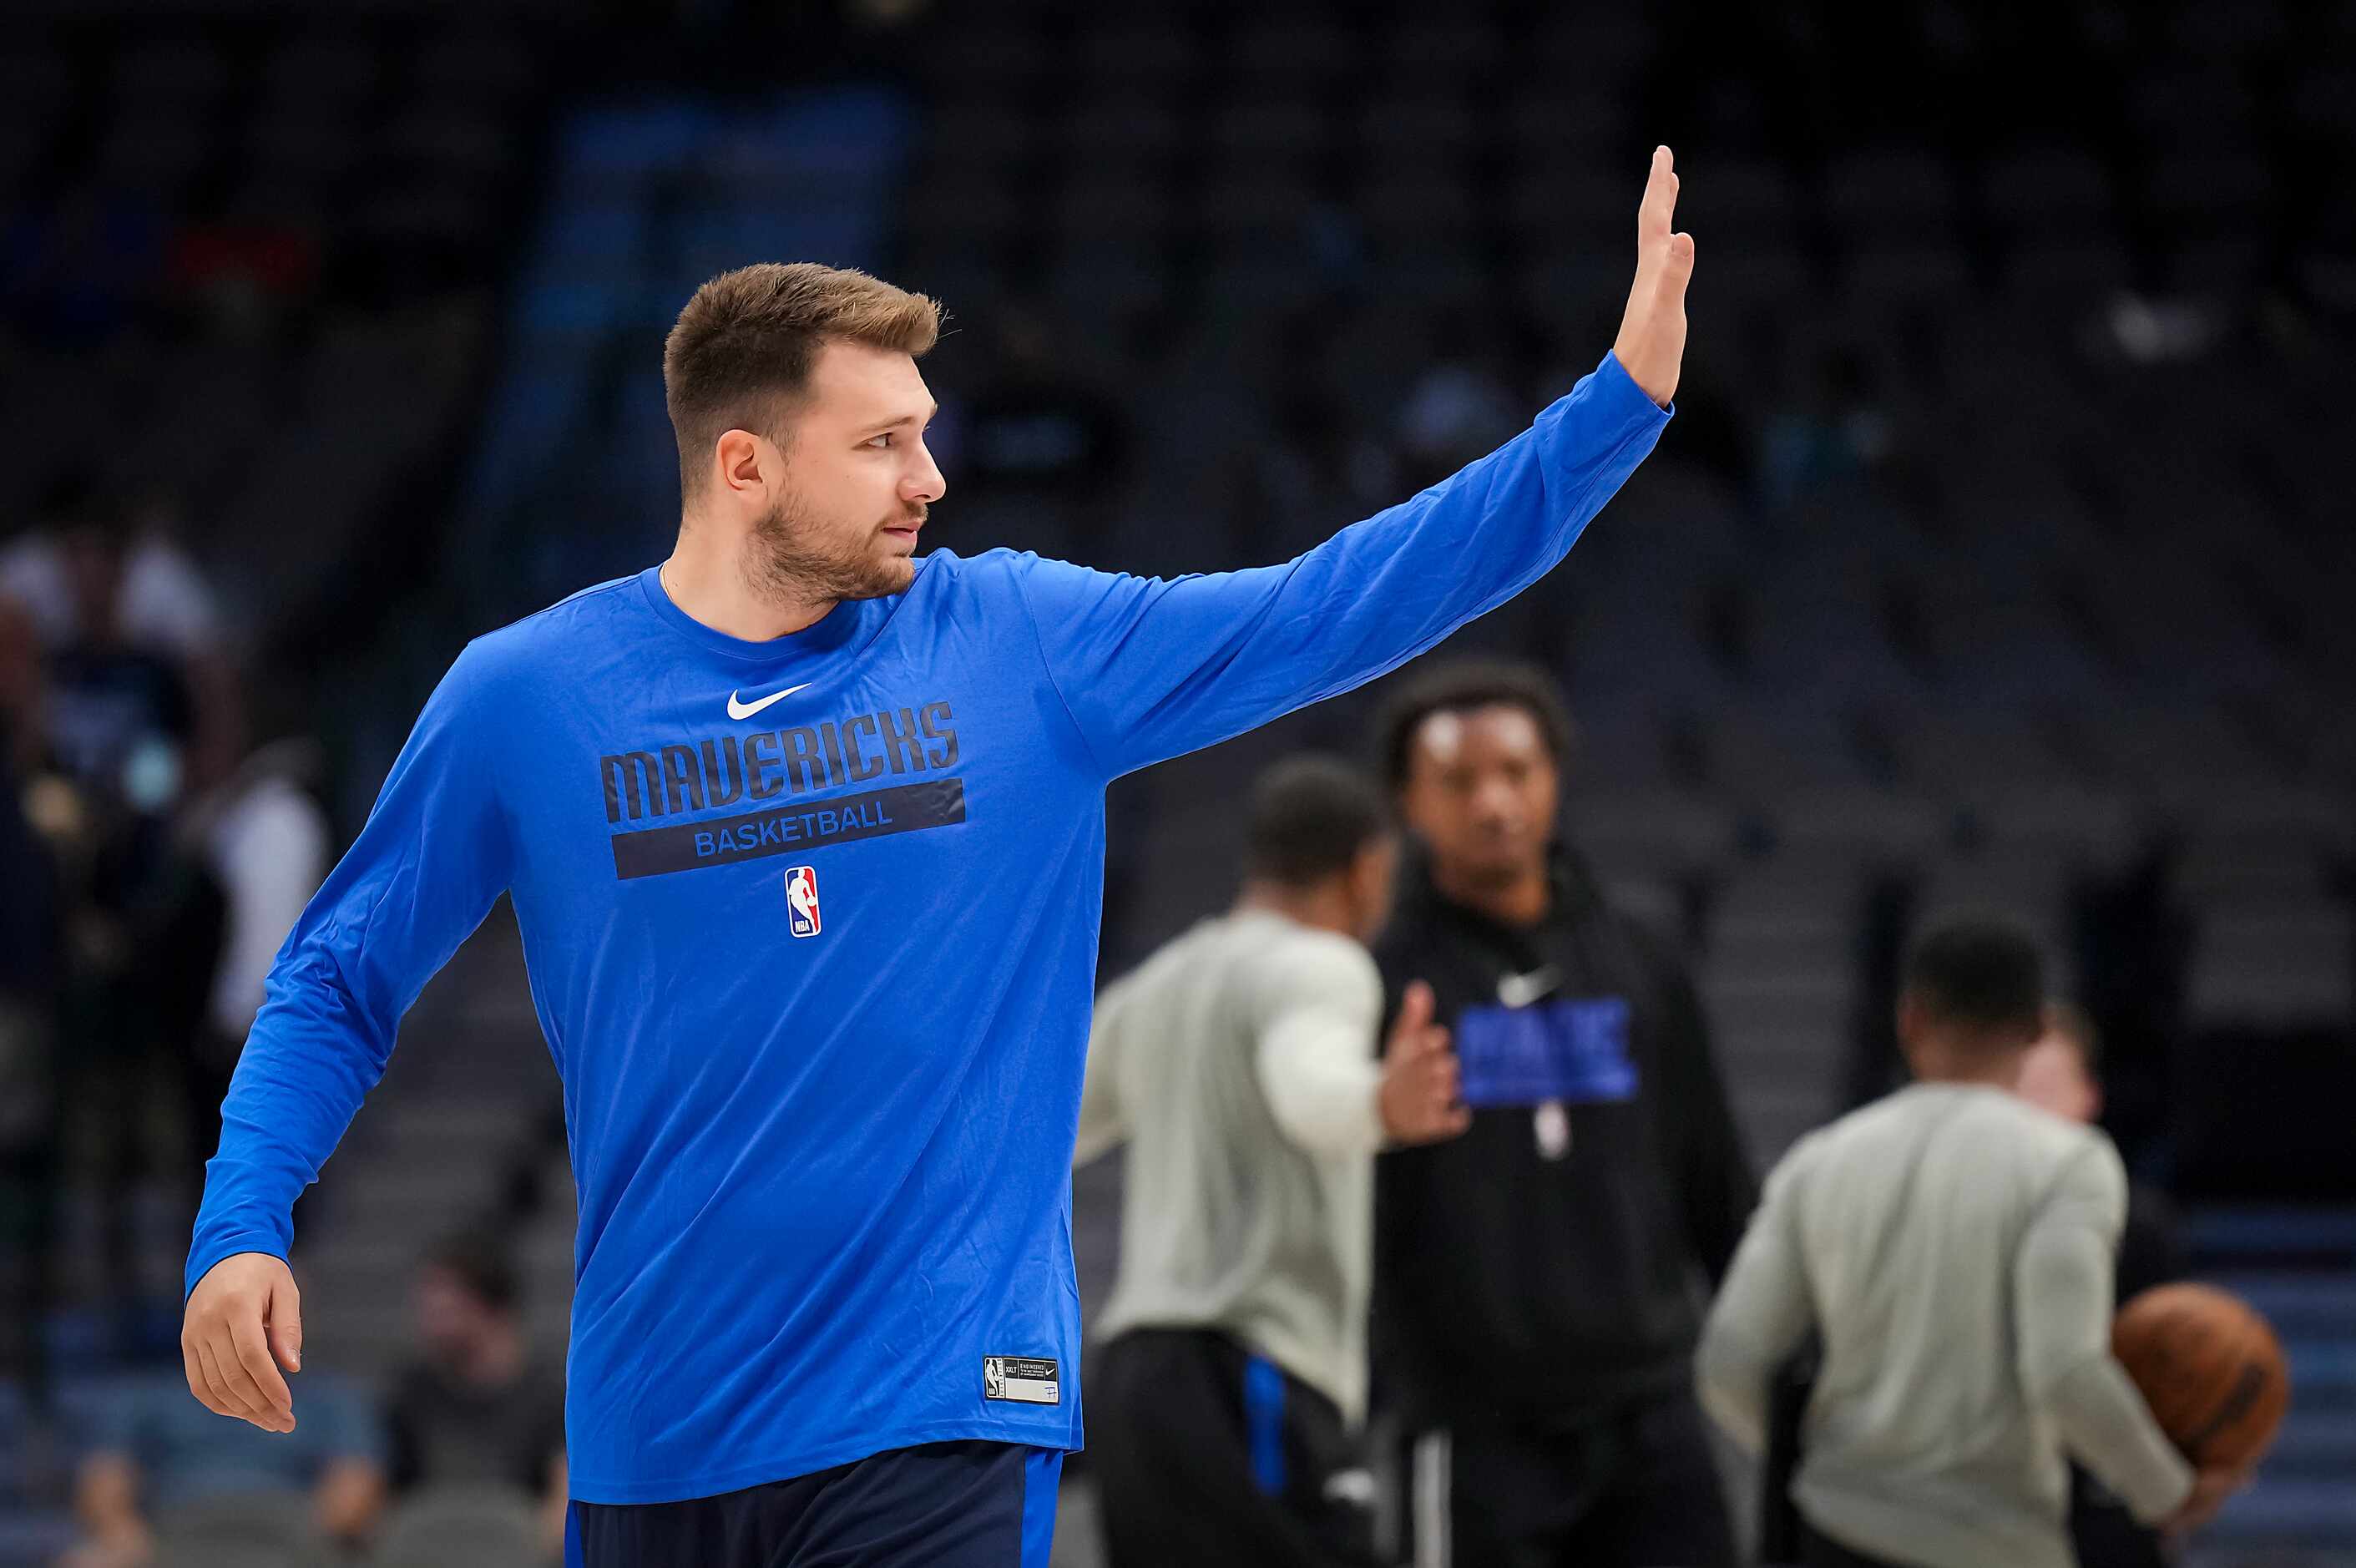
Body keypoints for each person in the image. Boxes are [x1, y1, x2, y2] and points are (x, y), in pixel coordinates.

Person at [180, 150, 1696, 1568]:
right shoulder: (527, 694)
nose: (932, 476)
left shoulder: (1020, 639)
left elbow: (1332, 604)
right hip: (655, 1427)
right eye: (884, 442)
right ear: (745, 466)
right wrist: (243, 1222)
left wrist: (1611, 409)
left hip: (943, 1397)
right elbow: (335, 971)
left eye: (927, 433)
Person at [1696, 919, 2238, 1568]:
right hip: (1996, 1540)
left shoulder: (1821, 1159)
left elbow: (1729, 1357)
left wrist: (1819, 1465)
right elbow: (2064, 1367)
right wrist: (2164, 1492)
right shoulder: (2066, 1163)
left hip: (1836, 1532)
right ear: (2036, 1029)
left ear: (1909, 1020)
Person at [1369, 658, 1753, 1568]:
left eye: (1515, 772)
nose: (1493, 803)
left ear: (1554, 779)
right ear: (1407, 803)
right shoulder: (1379, 984)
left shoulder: (1641, 961)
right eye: (1458, 781)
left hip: (1652, 1417)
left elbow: (1715, 1178)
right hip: (1474, 1433)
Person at [1076, 756, 1467, 1568]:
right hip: (1247, 1376)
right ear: (1364, 868)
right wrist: (1377, 1105)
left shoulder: (1155, 985)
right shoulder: (1319, 966)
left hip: (1129, 1388)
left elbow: (1046, 1134)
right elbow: (1308, 1087)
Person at [2015, 1003, 2191, 1568]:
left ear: (2088, 1096)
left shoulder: (2140, 1227)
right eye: (2013, 1085)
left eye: (2045, 1085)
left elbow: (2166, 1373)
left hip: (2102, 1504)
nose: (2027, 1105)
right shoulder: (1938, 1219)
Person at [63, 1364, 386, 1568]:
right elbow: (103, 1478)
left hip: (289, 1532)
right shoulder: (147, 1394)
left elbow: (353, 1491)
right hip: (172, 1532)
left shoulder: (329, 1398)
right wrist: (123, 1535)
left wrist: (309, 1542)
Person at [385, 1230, 568, 1554]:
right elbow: (379, 1504)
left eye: (443, 1310)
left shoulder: (549, 1397)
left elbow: (561, 1508)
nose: (427, 1323)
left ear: (493, 1310)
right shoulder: (412, 1392)